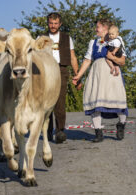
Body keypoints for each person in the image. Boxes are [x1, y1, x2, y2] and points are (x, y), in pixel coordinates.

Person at [72, 19, 128, 142]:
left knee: (118, 101)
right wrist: (79, 75)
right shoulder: (93, 42)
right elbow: (87, 60)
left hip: (112, 74)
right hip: (96, 74)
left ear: (106, 29)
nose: (96, 29)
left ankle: (121, 124)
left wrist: (111, 57)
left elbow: (122, 61)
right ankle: (98, 132)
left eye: (98, 27)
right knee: (95, 102)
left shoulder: (117, 41)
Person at [44, 12, 79, 143]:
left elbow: (72, 56)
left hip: (61, 69)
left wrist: (77, 74)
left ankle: (60, 131)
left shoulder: (66, 38)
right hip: (45, 70)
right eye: (51, 23)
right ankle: (47, 130)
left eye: (55, 23)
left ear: (60, 24)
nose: (53, 26)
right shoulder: (40, 38)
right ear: (48, 23)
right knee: (46, 102)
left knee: (60, 100)